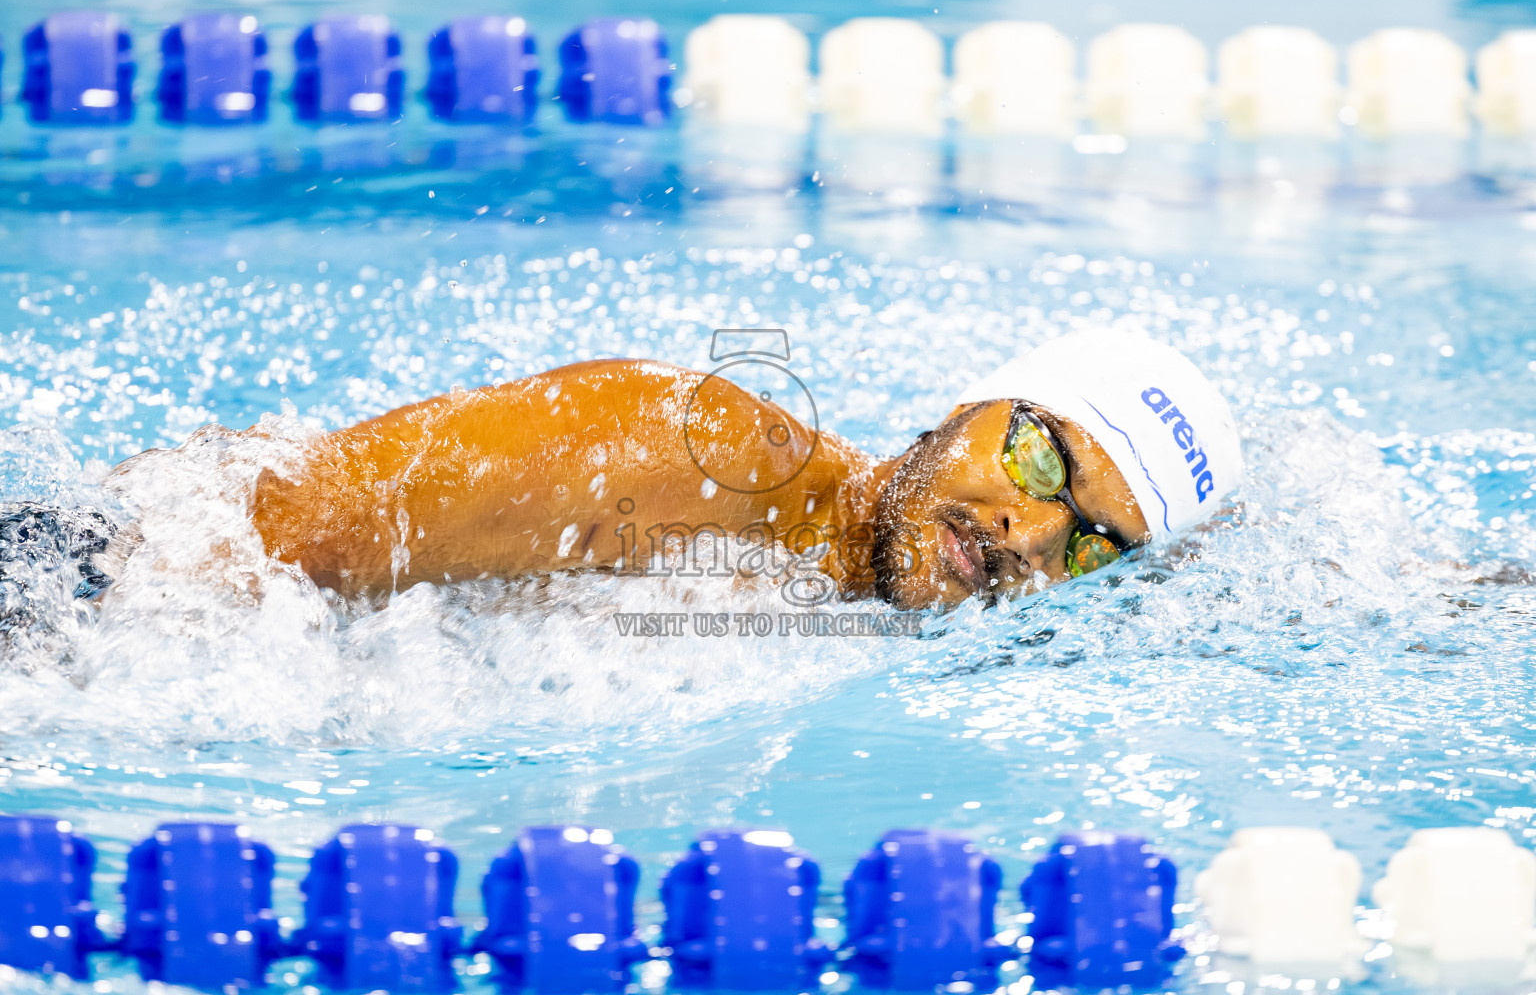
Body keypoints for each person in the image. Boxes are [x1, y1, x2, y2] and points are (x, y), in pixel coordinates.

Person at [1, 328, 1243, 619]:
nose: (1033, 531)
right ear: (971, 404)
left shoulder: (846, 606)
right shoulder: (676, 450)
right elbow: (247, 540)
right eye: (1041, 454)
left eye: (1095, 542)